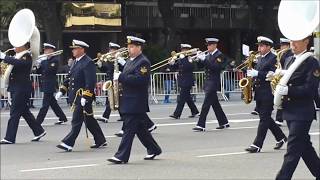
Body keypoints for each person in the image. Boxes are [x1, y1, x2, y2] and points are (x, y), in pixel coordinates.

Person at [107, 36, 162, 164]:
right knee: (140, 129)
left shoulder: (143, 62)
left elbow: (141, 80)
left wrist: (121, 77)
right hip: (127, 99)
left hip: (136, 101)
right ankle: (154, 149)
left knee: (128, 129)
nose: (129, 49)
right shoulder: (130, 61)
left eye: (132, 47)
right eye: (129, 46)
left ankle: (121, 156)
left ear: (139, 48)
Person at [275, 36, 320, 180]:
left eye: (296, 41)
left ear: (306, 41)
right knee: (305, 148)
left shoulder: (312, 62)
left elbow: (310, 89)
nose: (292, 44)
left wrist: (288, 90)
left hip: (302, 112)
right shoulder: (289, 59)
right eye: (290, 41)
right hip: (289, 110)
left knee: (292, 150)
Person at [55, 39, 106, 151]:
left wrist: (86, 96)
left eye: (75, 49)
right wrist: (62, 90)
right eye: (73, 49)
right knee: (89, 120)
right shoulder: (75, 61)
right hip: (76, 96)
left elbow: (90, 82)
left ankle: (68, 143)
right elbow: (69, 78)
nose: (73, 51)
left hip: (83, 96)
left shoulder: (88, 62)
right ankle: (100, 139)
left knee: (76, 121)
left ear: (82, 49)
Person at [244, 36, 287, 153]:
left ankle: (257, 145)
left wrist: (256, 73)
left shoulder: (273, 58)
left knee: (264, 119)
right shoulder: (260, 58)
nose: (259, 47)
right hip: (259, 92)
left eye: (262, 45)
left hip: (268, 92)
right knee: (266, 118)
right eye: (259, 45)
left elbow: (271, 75)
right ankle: (281, 137)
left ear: (268, 47)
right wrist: (251, 76)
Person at [0, 43, 46, 144]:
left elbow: (20, 64)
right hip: (16, 88)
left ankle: (9, 138)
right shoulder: (17, 56)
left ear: (23, 47)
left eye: (17, 45)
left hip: (21, 89)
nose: (14, 47)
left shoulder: (26, 56)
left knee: (14, 113)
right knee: (24, 112)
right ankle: (39, 131)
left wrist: (4, 57)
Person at [192, 38, 230, 131]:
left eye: (209, 45)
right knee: (215, 104)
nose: (208, 47)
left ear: (214, 45)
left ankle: (201, 125)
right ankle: (224, 122)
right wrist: (199, 59)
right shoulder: (209, 55)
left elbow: (215, 68)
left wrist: (204, 59)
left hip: (214, 82)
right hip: (208, 82)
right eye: (207, 45)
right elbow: (202, 66)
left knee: (206, 105)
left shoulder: (219, 55)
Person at [35, 43, 68, 125]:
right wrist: (37, 65)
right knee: (53, 103)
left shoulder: (55, 60)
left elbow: (49, 70)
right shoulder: (45, 61)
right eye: (45, 50)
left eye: (47, 50)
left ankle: (37, 122)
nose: (45, 51)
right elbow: (39, 72)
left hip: (50, 84)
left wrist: (42, 62)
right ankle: (62, 118)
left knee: (45, 105)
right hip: (45, 84)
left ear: (51, 50)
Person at [95, 42, 125, 123]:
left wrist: (120, 61)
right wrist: (100, 64)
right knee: (114, 99)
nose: (110, 51)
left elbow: (125, 68)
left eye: (113, 49)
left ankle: (105, 117)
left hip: (117, 81)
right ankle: (123, 115)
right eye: (110, 49)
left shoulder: (120, 59)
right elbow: (106, 70)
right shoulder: (110, 59)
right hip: (110, 81)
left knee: (112, 99)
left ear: (117, 50)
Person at [168, 44, 199, 119]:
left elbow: (188, 67)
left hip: (188, 80)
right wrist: (172, 62)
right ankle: (195, 111)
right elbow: (175, 67)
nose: (183, 51)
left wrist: (182, 58)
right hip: (182, 80)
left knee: (181, 98)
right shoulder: (181, 58)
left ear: (188, 50)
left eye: (185, 49)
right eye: (182, 50)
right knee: (187, 97)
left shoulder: (190, 58)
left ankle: (177, 114)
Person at [274, 38, 293, 126]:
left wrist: (282, 72)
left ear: (288, 46)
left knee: (284, 98)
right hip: (283, 77)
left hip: (289, 78)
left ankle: (280, 118)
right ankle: (280, 118)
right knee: (282, 98)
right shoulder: (282, 54)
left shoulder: (290, 54)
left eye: (283, 45)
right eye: (281, 45)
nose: (281, 47)